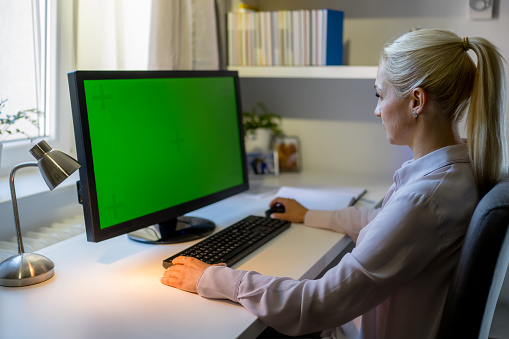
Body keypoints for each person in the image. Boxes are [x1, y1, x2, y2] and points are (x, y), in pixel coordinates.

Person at [160, 28, 508, 339]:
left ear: (416, 101)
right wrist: (310, 215)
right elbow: (384, 223)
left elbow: (318, 303)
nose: (376, 111)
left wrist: (214, 279)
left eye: (379, 95)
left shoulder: (425, 199)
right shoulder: (456, 173)